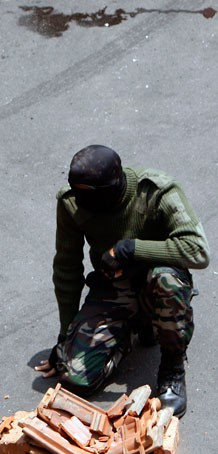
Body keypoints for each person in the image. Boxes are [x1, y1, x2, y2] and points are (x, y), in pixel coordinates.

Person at [36, 145, 209, 416]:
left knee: (165, 280)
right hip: (114, 287)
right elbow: (67, 269)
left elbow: (197, 251)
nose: (82, 204)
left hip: (159, 280)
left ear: (114, 187)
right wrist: (65, 334)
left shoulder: (157, 192)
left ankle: (172, 367)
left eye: (89, 197)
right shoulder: (71, 202)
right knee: (75, 377)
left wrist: (131, 248)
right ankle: (128, 331)